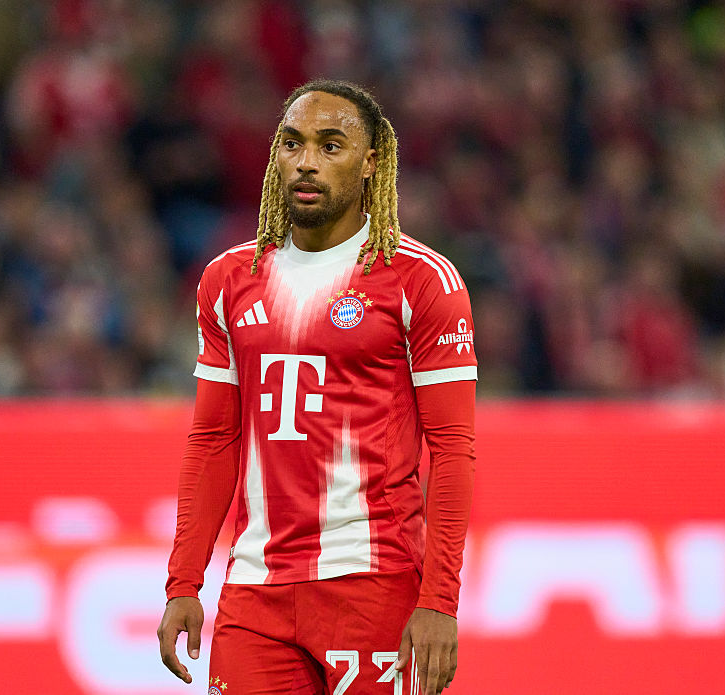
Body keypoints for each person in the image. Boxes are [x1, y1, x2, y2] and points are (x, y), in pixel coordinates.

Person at [157, 79, 476, 695]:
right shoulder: (229, 279)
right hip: (255, 595)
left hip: (374, 584)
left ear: (370, 164)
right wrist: (184, 582)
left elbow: (454, 448)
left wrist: (439, 599)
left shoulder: (422, 281)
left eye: (332, 146)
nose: (307, 161)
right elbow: (214, 440)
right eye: (294, 143)